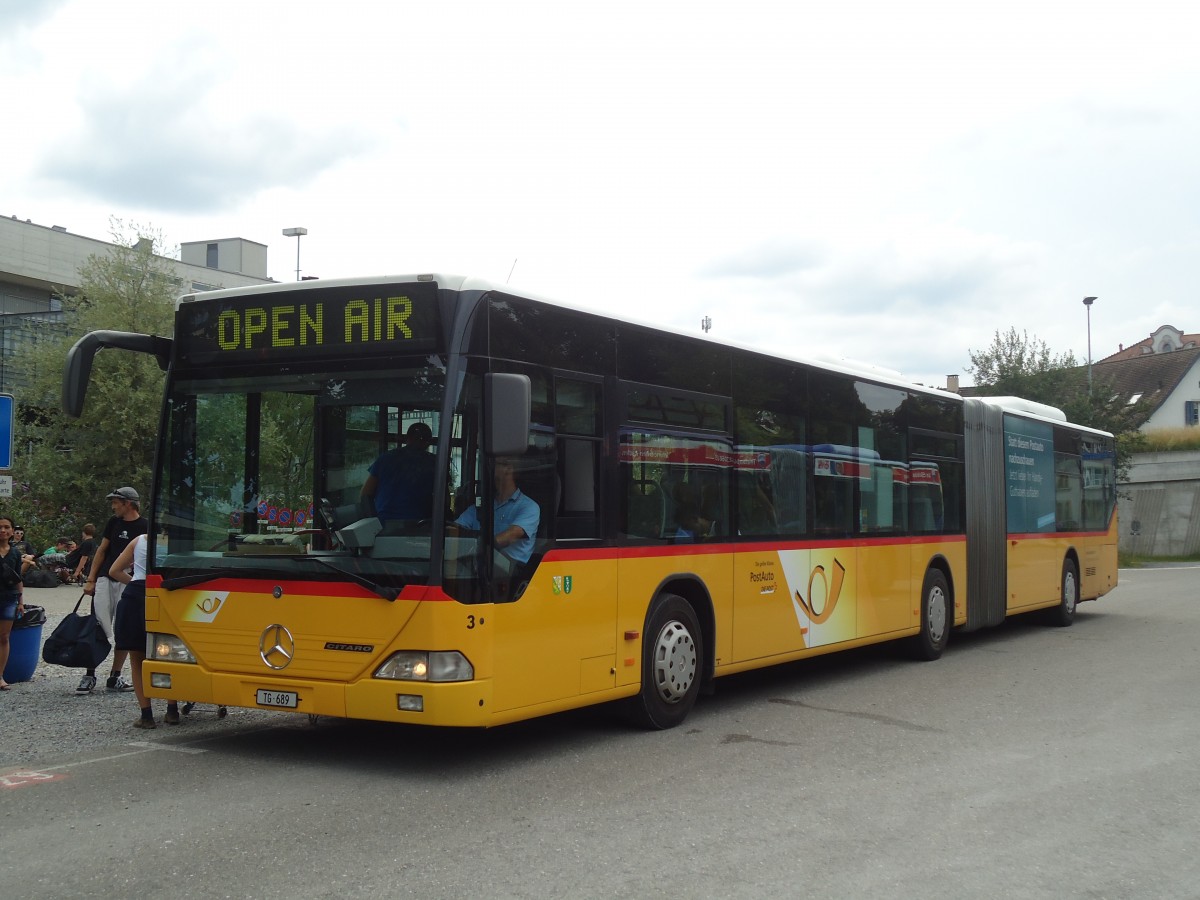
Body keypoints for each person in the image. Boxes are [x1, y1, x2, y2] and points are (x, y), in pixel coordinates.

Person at [78, 487, 148, 695]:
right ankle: (89, 674)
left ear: (128, 503)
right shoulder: (113, 523)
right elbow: (102, 550)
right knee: (97, 624)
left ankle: (115, 676)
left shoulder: (145, 527)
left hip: (129, 582)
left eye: (116, 502)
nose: (113, 506)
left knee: (124, 629)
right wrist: (91, 579)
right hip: (106, 579)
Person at [109, 533, 179, 728]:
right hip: (166, 593)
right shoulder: (178, 541)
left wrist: (134, 581)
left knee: (137, 658)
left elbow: (114, 570)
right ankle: (172, 709)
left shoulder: (140, 540)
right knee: (168, 655)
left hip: (136, 593)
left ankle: (146, 714)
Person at [451, 457, 540, 571]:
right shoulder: (483, 505)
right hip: (482, 563)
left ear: (508, 469)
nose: (490, 468)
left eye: (494, 463)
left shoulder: (529, 506)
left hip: (511, 570)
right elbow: (455, 528)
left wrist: (478, 548)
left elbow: (510, 536)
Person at [360, 422, 438, 525]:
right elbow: (443, 501)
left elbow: (365, 494)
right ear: (428, 442)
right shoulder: (434, 462)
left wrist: (372, 523)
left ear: (407, 438)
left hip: (384, 525)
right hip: (419, 526)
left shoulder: (385, 458)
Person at [0, 516, 26, 691]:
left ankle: (0, 676)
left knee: (4, 637)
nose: (3, 530)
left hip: (9, 598)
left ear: (11, 530)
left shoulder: (15, 553)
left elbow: (18, 579)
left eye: (6, 527)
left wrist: (21, 602)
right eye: (0, 527)